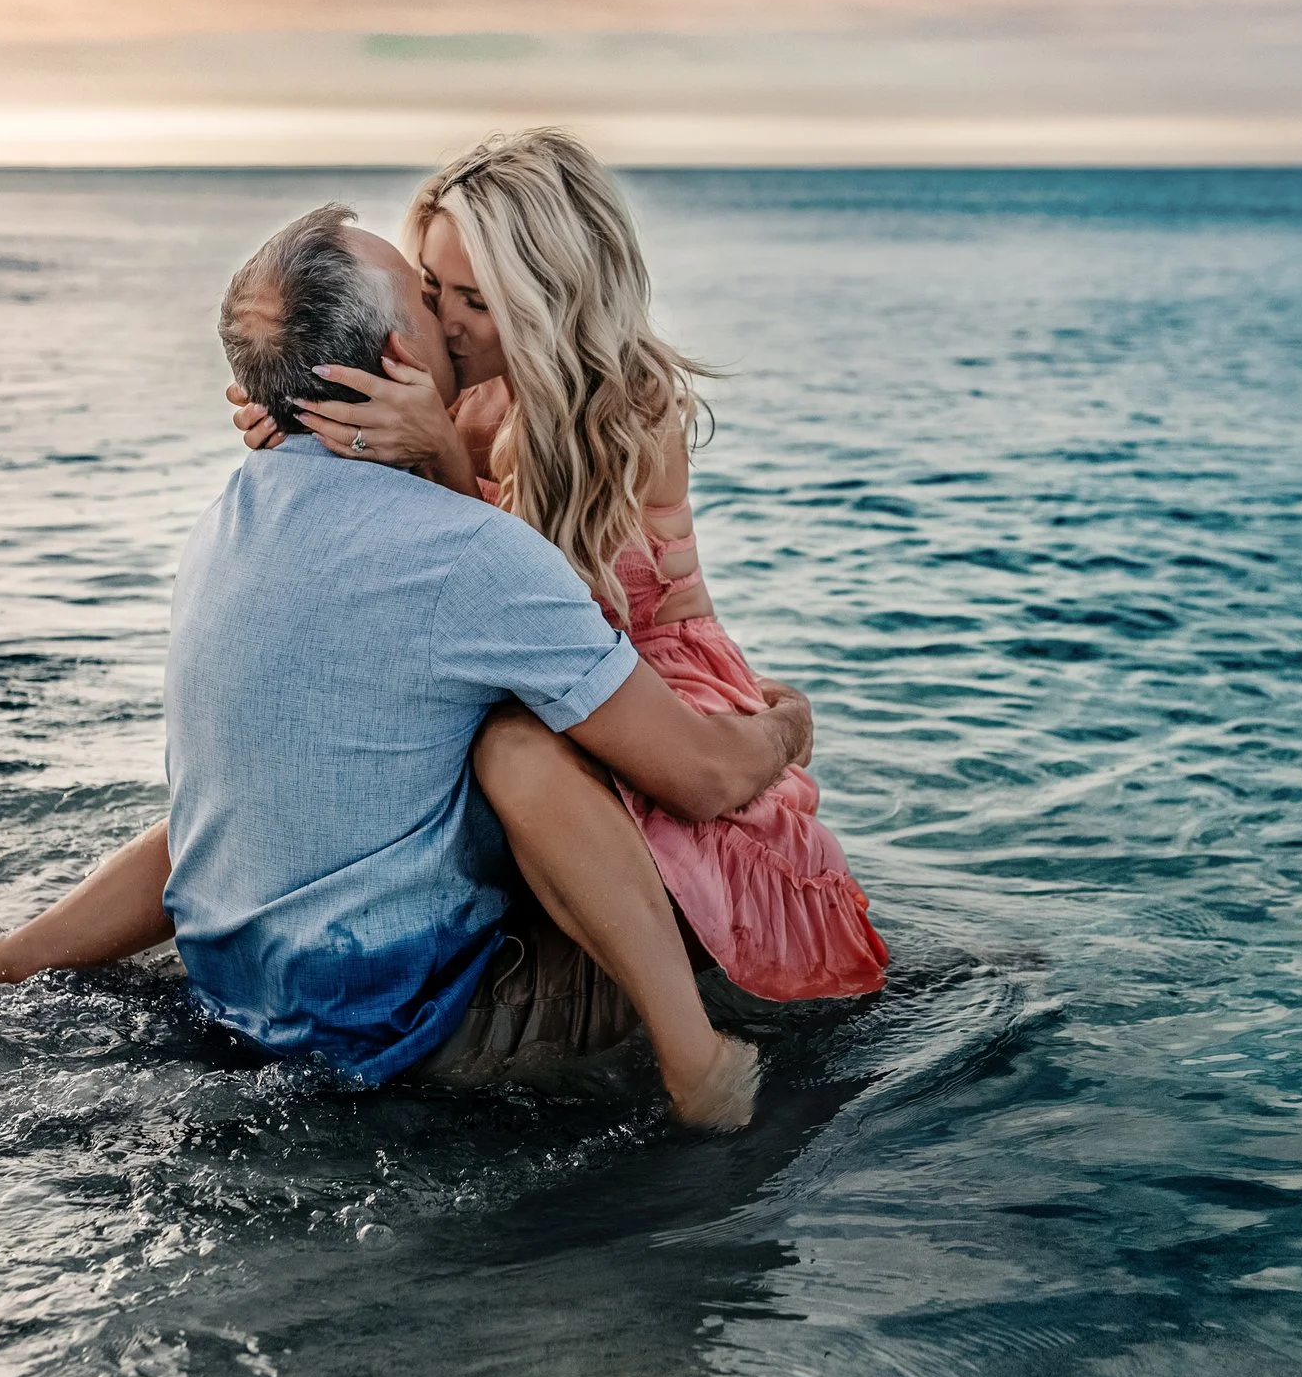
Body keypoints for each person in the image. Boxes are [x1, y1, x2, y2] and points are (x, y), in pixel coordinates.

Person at [0, 203, 815, 1128]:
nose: (453, 318)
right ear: (397, 349)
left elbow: (220, 823)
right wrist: (786, 725)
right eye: (433, 300)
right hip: (406, 1025)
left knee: (293, 782)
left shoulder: (229, 519)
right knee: (577, 786)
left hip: (243, 993)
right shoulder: (472, 554)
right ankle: (699, 1069)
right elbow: (703, 775)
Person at [239, 130, 889, 1004]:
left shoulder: (630, 408)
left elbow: (544, 610)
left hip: (644, 688)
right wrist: (286, 411)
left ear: (551, 296)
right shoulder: (462, 390)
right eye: (434, 290)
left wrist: (441, 456)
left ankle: (685, 1037)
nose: (447, 320)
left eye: (478, 297)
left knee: (511, 753)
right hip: (550, 685)